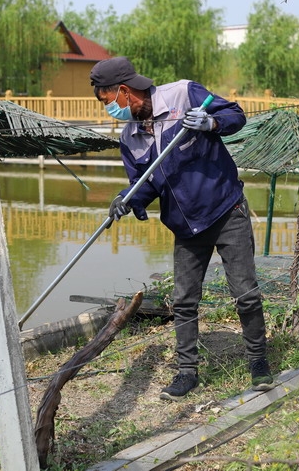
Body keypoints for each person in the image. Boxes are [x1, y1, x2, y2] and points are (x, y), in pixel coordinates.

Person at [89, 56, 274, 401]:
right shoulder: (129, 138)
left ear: (124, 91)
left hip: (226, 210)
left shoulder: (183, 94)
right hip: (187, 226)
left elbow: (236, 115)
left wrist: (211, 122)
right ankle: (187, 372)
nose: (108, 109)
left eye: (107, 100)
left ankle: (258, 362)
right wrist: (126, 198)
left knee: (245, 293)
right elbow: (144, 184)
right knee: (184, 301)